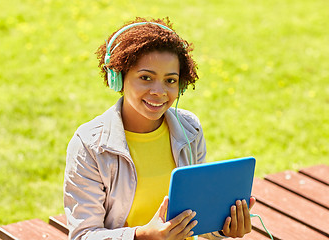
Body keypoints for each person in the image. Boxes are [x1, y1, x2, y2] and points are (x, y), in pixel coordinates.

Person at [64, 17, 255, 240]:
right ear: (118, 77)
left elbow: (196, 219)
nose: (159, 91)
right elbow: (83, 235)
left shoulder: (189, 129)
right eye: (146, 77)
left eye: (170, 80)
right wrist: (143, 235)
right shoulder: (89, 145)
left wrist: (223, 227)